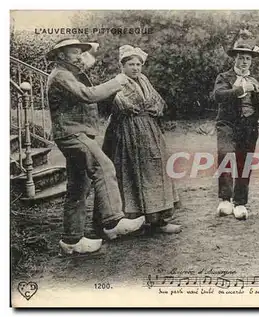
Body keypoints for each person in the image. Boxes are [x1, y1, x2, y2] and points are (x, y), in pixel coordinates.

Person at [46, 38, 146, 255]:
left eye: (80, 52)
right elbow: (88, 95)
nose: (79, 56)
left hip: (75, 133)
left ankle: (71, 241)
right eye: (74, 52)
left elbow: (90, 96)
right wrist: (118, 80)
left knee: (78, 187)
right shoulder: (61, 75)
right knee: (104, 167)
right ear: (61, 55)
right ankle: (114, 221)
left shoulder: (70, 74)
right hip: (73, 134)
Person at [101, 45, 182, 234]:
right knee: (132, 171)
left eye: (138, 64)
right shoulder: (118, 82)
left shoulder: (144, 80)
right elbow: (120, 105)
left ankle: (158, 220)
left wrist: (153, 109)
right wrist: (140, 108)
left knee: (156, 170)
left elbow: (157, 101)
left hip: (151, 131)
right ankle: (133, 220)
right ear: (123, 65)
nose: (135, 68)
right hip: (128, 131)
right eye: (131, 64)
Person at [212, 42, 259, 220]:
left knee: (245, 163)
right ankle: (225, 199)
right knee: (225, 155)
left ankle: (240, 202)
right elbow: (218, 95)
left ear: (251, 61)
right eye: (240, 58)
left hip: (248, 126)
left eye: (247, 58)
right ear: (234, 59)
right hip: (227, 124)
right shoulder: (224, 77)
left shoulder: (254, 80)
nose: (244, 62)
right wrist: (241, 89)